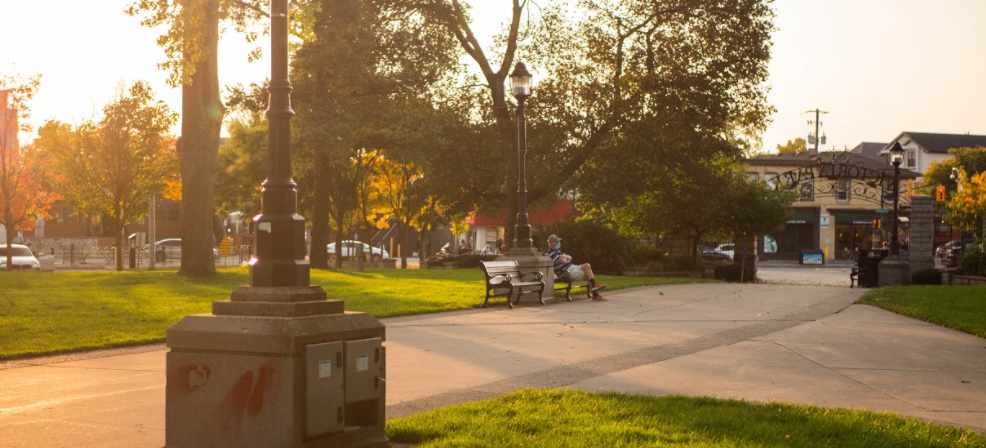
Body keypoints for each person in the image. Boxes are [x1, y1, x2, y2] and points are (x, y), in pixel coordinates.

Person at [545, 234, 607, 301]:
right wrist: (565, 257)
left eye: (558, 241)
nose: (558, 243)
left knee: (587, 266)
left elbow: (570, 257)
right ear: (551, 243)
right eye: (556, 242)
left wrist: (564, 256)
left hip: (572, 267)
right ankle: (595, 292)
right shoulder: (551, 253)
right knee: (588, 271)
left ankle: (594, 291)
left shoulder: (558, 252)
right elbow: (563, 260)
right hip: (567, 271)